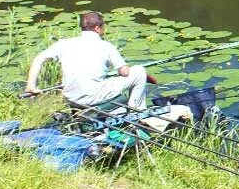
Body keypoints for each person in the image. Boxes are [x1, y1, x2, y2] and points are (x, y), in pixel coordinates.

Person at [25, 11, 190, 131]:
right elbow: (125, 73)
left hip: (71, 98)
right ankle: (137, 113)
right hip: (93, 97)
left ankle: (83, 118)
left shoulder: (63, 43)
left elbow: (38, 59)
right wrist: (126, 70)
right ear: (97, 28)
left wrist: (31, 86)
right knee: (139, 71)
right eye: (102, 27)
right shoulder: (106, 46)